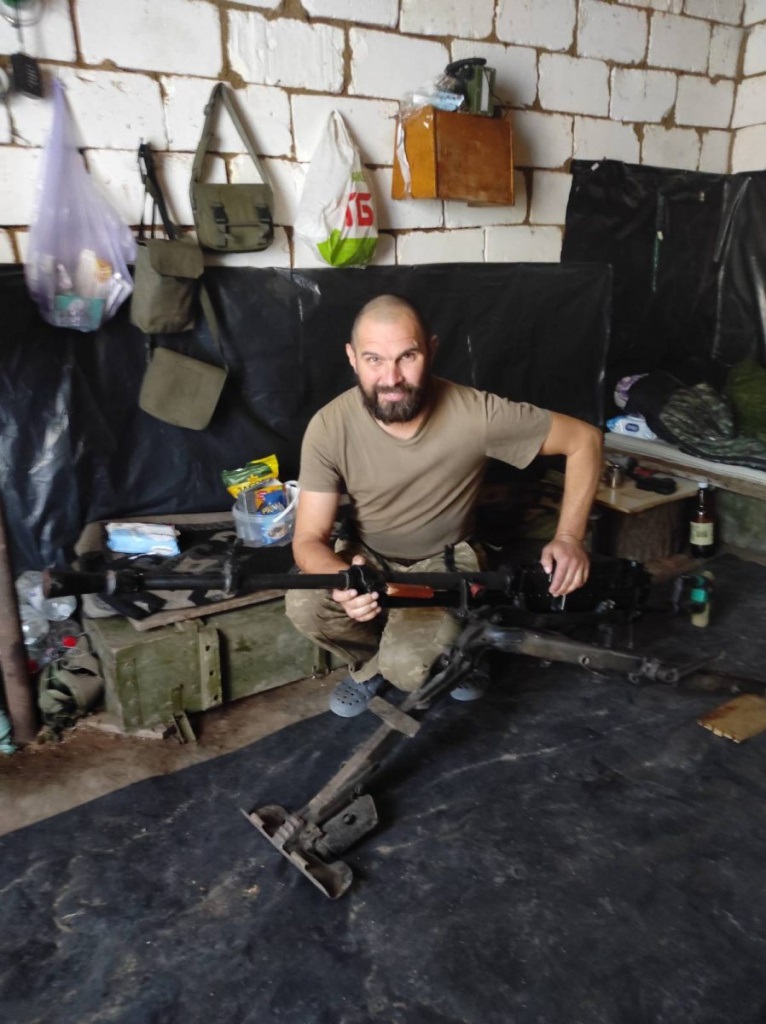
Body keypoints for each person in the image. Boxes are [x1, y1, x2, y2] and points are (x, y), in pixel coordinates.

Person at [285, 295, 603, 717]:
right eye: (374, 359)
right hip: (367, 557)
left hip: (445, 564)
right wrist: (342, 581)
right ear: (352, 358)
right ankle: (372, 665)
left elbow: (584, 440)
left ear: (431, 350)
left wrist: (569, 538)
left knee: (409, 668)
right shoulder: (329, 426)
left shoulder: (476, 414)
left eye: (407, 356)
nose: (391, 378)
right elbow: (308, 538)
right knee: (305, 603)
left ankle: (461, 651)